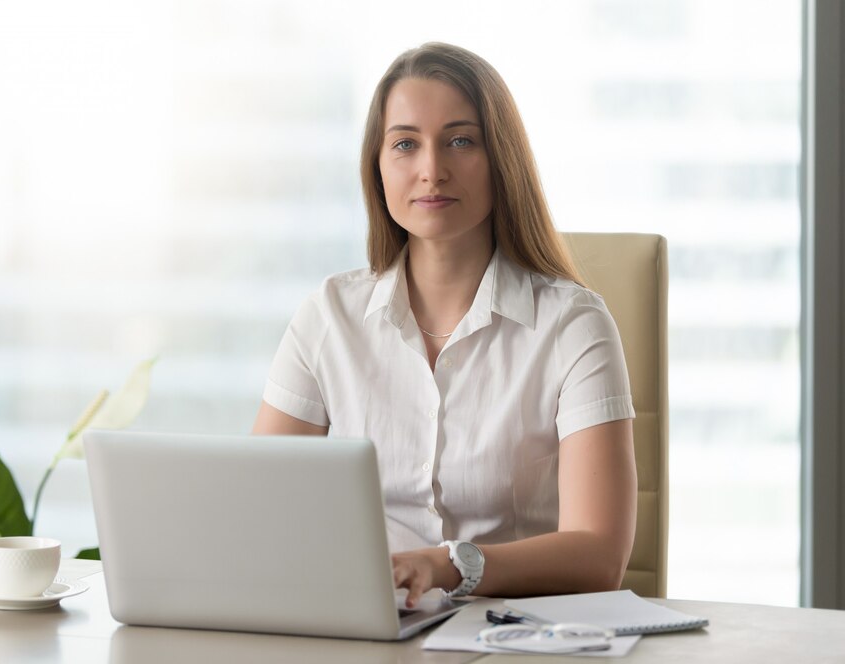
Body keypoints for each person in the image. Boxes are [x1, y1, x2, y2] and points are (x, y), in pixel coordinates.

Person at [253, 42, 637, 608]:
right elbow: (256, 509)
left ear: (500, 158)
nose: (432, 170)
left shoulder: (573, 326)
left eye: (461, 141)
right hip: (371, 630)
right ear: (378, 167)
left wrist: (446, 566)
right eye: (405, 144)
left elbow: (598, 557)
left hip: (516, 636)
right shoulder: (329, 315)